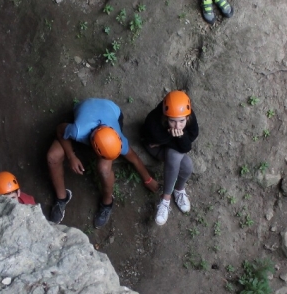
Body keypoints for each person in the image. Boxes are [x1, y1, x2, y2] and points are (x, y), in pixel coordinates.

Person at [47, 98, 158, 228]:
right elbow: (60, 130)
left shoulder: (119, 141)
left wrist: (148, 180)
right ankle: (61, 198)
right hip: (86, 108)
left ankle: (107, 203)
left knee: (104, 169)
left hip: (112, 110)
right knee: (52, 157)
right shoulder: (78, 130)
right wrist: (71, 156)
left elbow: (134, 159)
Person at [140, 90, 199, 226]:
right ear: (166, 117)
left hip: (167, 144)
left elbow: (189, 142)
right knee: (174, 156)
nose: (177, 126)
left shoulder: (189, 116)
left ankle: (178, 190)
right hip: (155, 148)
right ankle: (166, 199)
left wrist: (179, 136)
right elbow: (152, 141)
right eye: (172, 121)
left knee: (187, 165)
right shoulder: (153, 122)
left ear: (187, 117)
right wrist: (176, 138)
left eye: (181, 121)